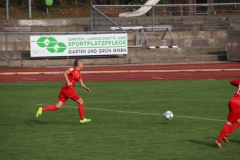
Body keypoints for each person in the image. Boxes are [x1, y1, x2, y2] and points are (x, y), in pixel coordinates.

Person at [36, 59, 91, 124]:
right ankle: (82, 119)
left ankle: (42, 110)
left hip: (65, 90)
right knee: (81, 101)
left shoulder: (79, 74)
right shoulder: (73, 69)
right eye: (82, 64)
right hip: (68, 90)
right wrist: (68, 82)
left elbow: (81, 84)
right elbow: (65, 72)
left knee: (58, 106)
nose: (83, 65)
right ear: (78, 64)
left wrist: (86, 88)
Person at [214, 80, 240, 148]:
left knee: (239, 121)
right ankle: (218, 140)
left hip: (232, 101)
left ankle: (225, 135)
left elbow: (232, 82)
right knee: (229, 122)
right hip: (238, 105)